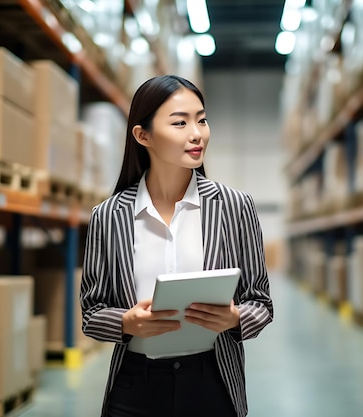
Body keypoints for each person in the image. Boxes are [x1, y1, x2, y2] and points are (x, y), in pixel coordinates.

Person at [80, 74, 274, 417]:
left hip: (212, 382)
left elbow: (261, 302)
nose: (197, 133)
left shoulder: (234, 207)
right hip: (135, 387)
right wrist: (127, 323)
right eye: (180, 123)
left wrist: (234, 318)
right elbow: (92, 313)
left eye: (201, 120)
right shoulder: (109, 216)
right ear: (143, 135)